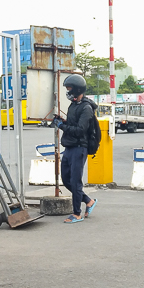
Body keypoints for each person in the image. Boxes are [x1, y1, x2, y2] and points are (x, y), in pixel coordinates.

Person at [52, 75, 98, 224]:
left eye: (70, 89)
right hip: (70, 146)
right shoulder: (73, 105)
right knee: (66, 179)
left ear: (78, 89)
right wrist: (63, 121)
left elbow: (80, 130)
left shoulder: (86, 108)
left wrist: (61, 126)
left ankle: (77, 213)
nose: (68, 92)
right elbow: (72, 123)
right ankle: (88, 200)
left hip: (79, 148)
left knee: (75, 181)